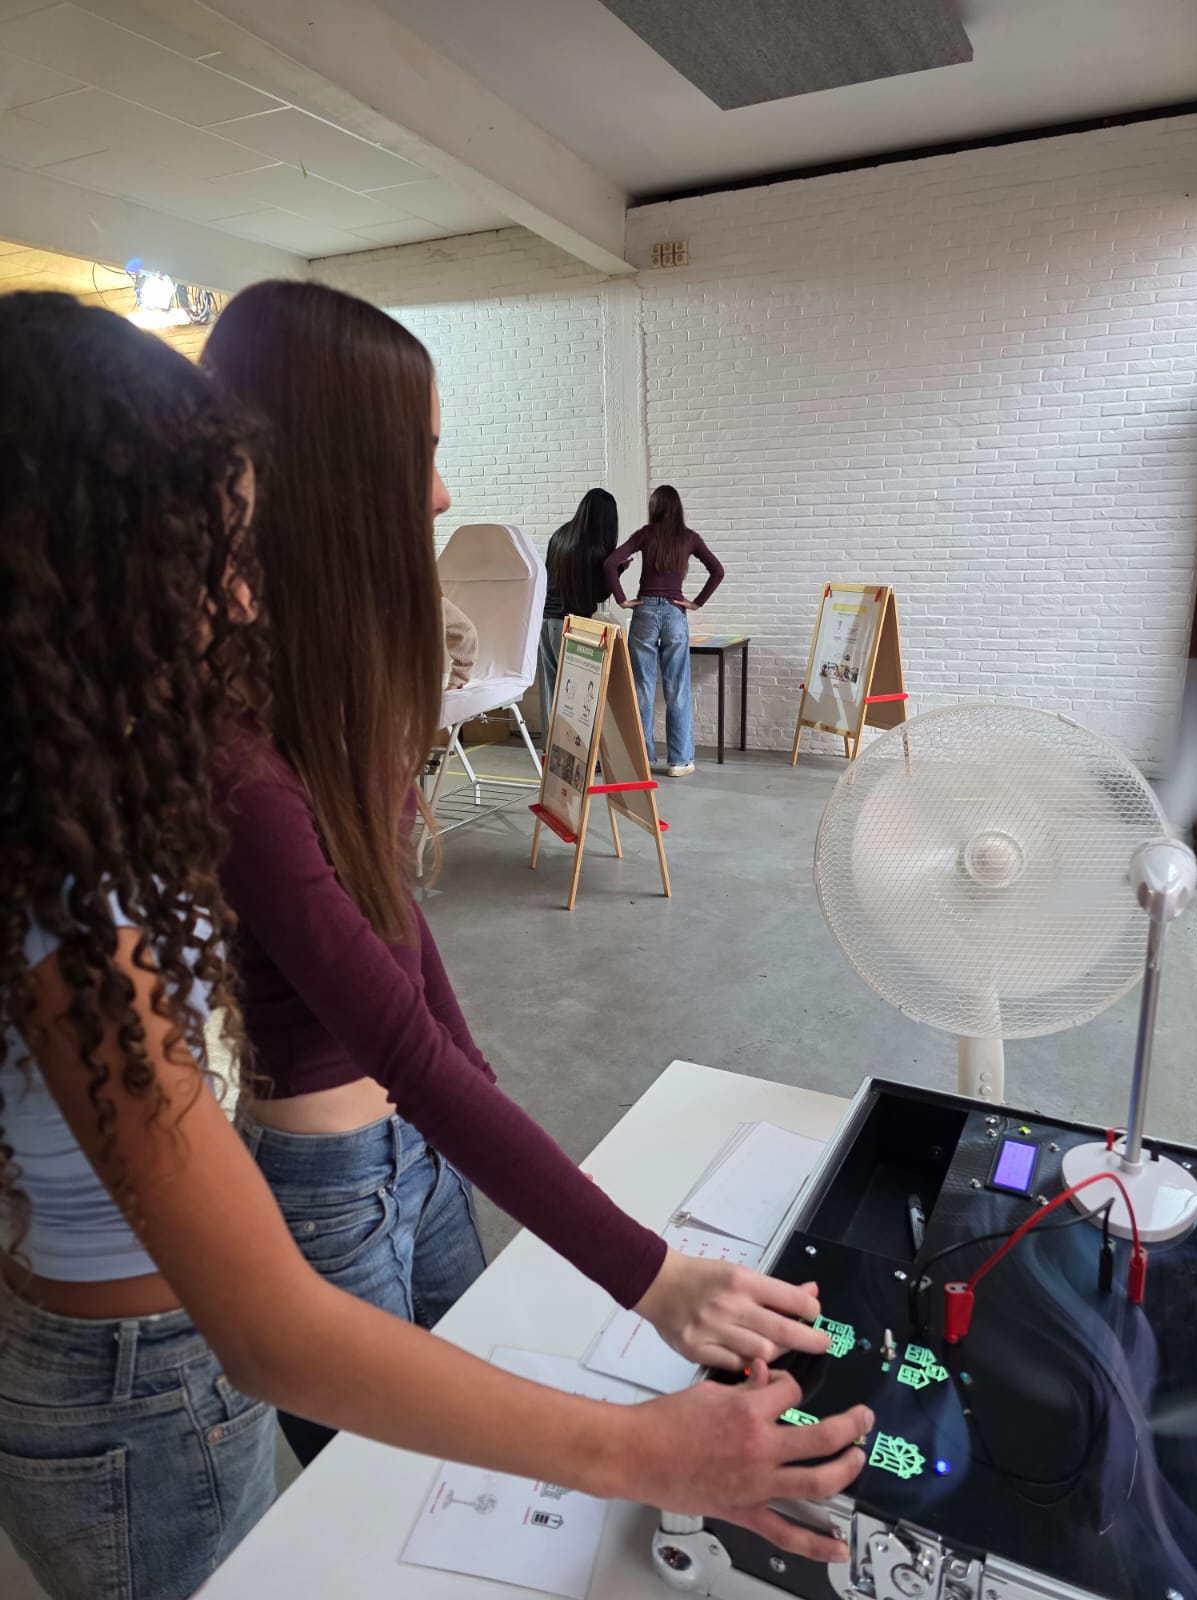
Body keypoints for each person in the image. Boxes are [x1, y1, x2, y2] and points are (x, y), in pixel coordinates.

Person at [0, 290, 872, 1599]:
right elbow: (275, 1327)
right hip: (139, 1391)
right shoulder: (83, 886)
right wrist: (644, 1441)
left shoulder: (114, 798)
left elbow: (400, 973)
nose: (238, 590)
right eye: (211, 546)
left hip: (169, 1360)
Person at [203, 280, 844, 1465]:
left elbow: (401, 937)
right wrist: (651, 1277)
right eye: (422, 453)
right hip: (328, 1191)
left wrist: (480, 1109)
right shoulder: (232, 752)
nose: (443, 492)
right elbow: (396, 1039)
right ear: (332, 468)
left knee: (472, 1480)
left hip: (422, 1152)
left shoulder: (335, 685)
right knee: (386, 1491)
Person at [605, 485, 725, 777]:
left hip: (645, 612)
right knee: (677, 688)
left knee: (642, 689)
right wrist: (696, 603)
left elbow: (610, 563)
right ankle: (680, 762)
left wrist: (622, 600)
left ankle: (643, 759)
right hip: (674, 614)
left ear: (655, 508)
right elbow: (718, 571)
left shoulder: (645, 534)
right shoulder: (689, 538)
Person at [538, 487, 621, 739]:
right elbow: (597, 596)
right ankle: (579, 750)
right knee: (578, 694)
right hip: (572, 626)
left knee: (554, 690)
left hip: (545, 621)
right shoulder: (595, 548)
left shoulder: (560, 535)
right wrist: (616, 572)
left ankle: (555, 750)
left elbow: (547, 576)